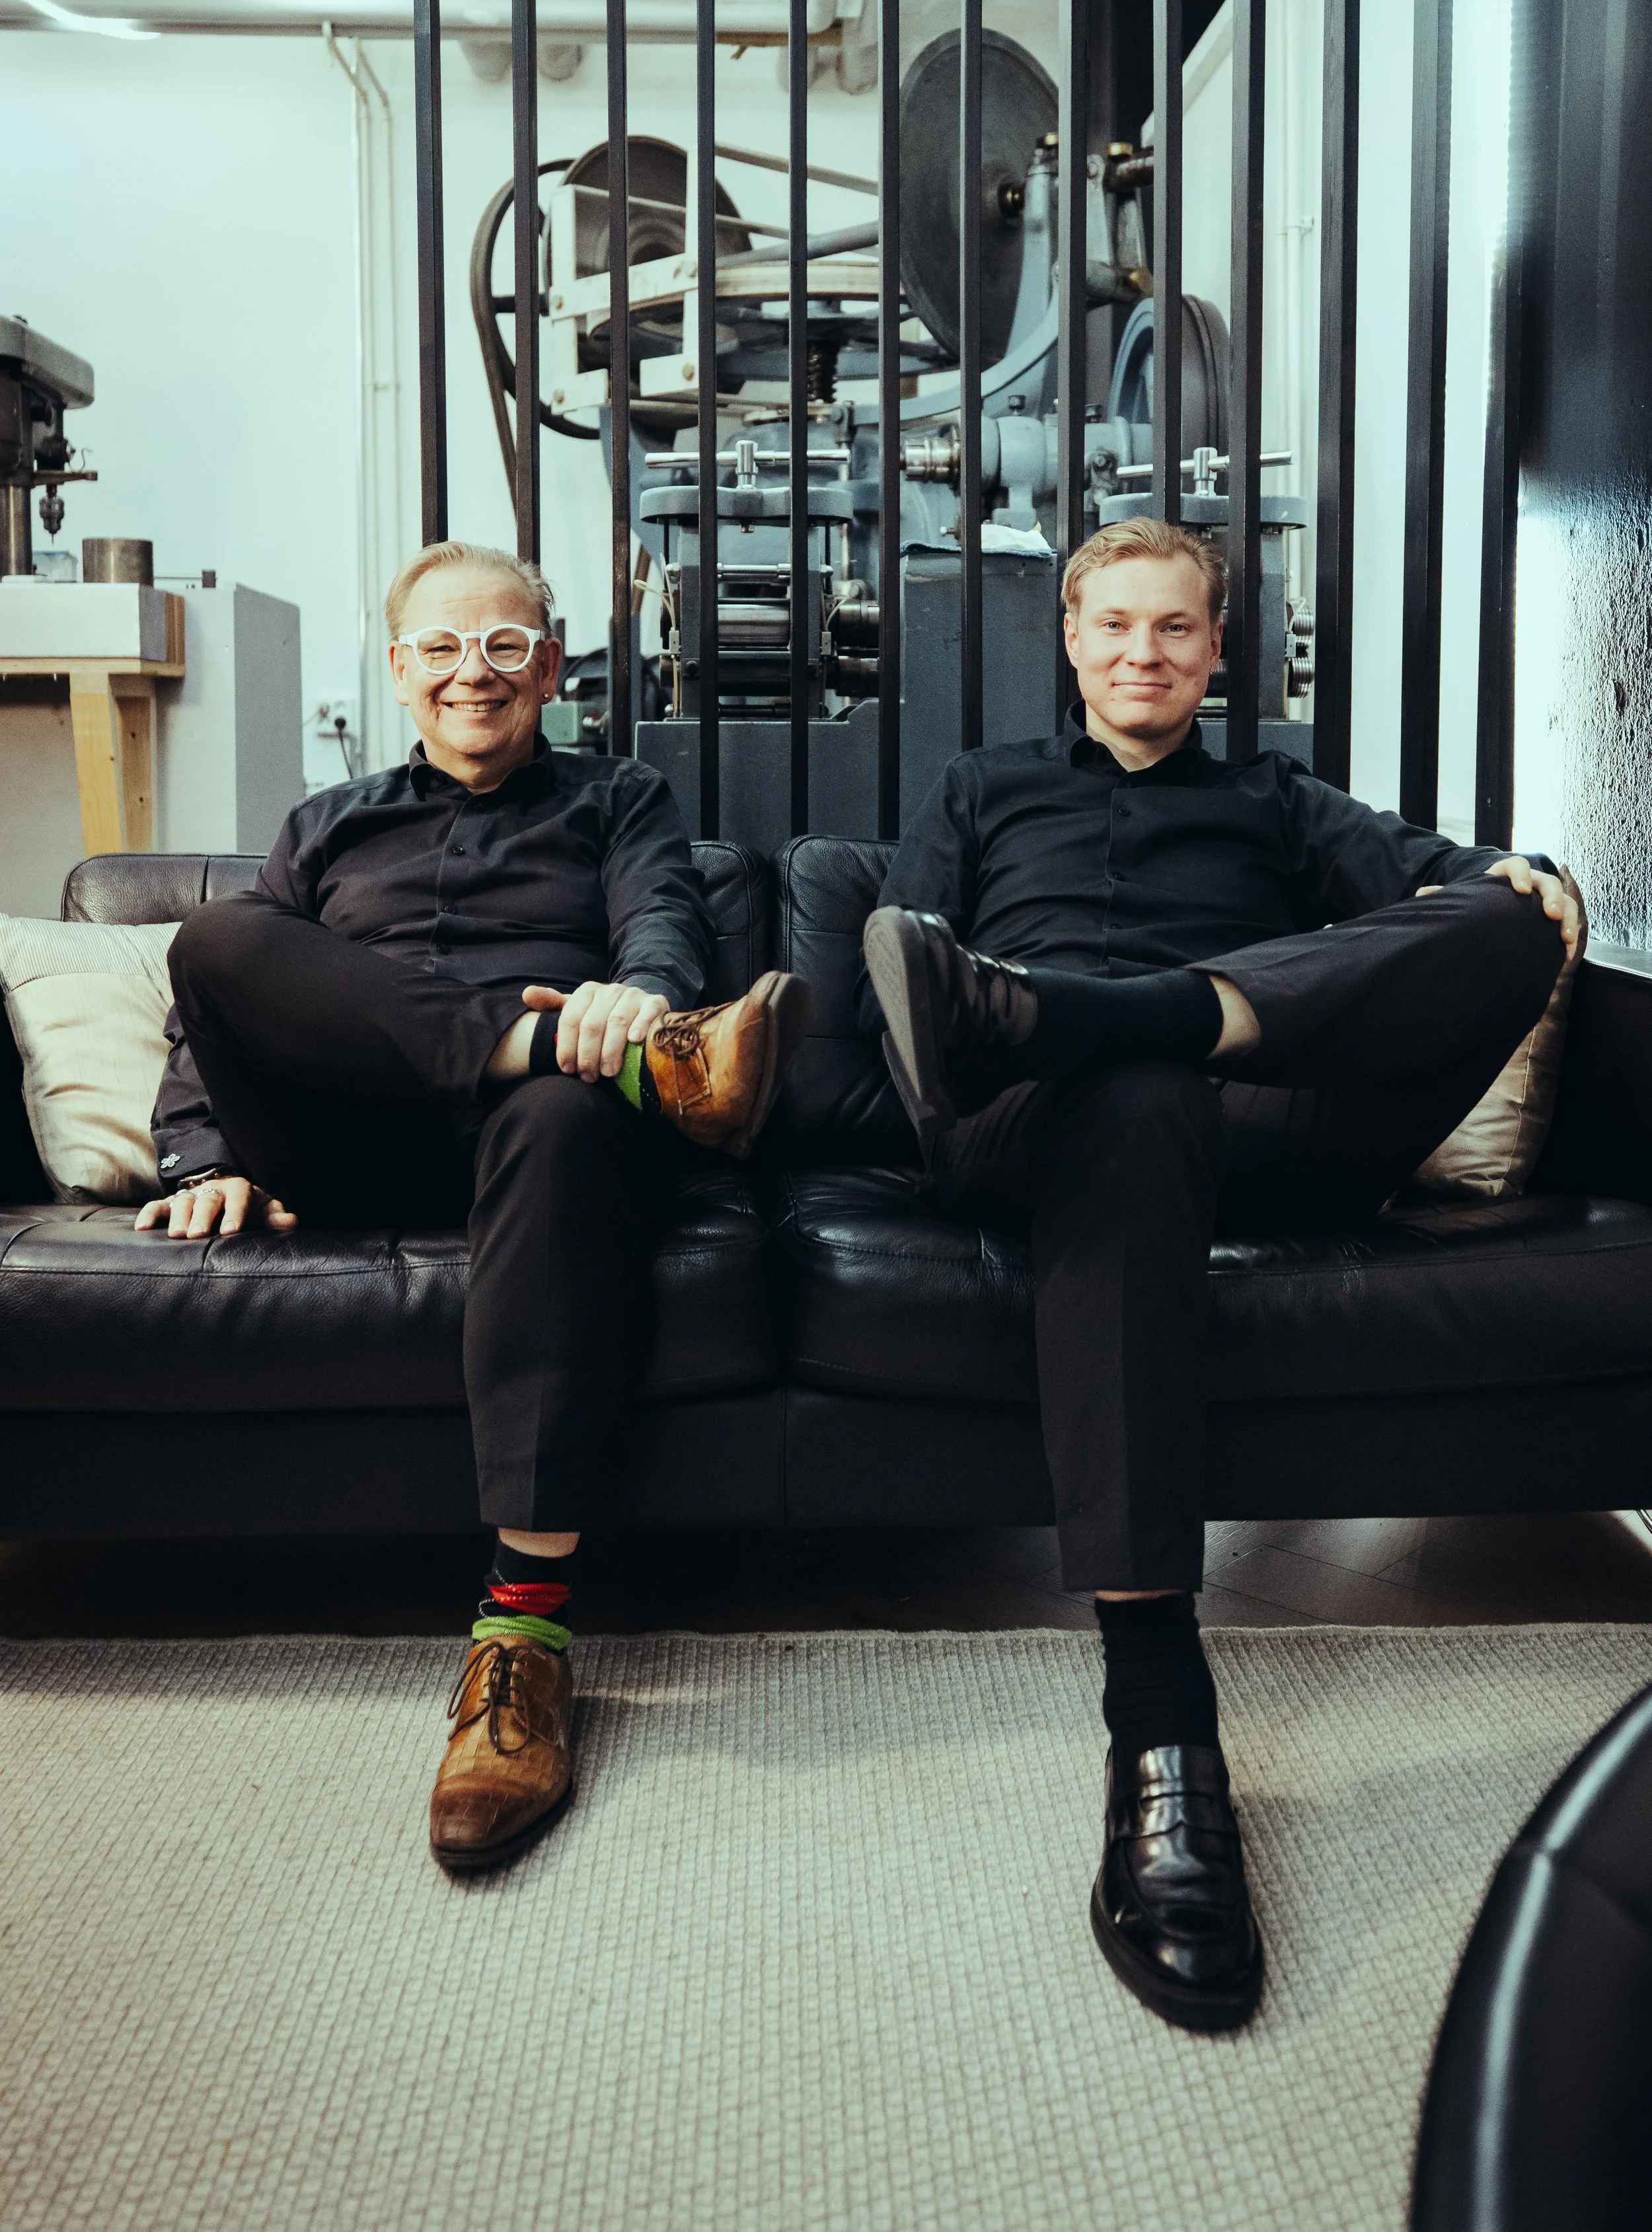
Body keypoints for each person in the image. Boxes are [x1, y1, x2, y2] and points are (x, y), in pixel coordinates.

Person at [859, 516, 1577, 2035]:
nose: (1142, 653)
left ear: (1214, 647)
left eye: (1172, 629)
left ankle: (1124, 1016)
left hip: (1252, 1119)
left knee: (1501, 933)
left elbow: (1441, 888)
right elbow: (896, 982)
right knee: (1124, 1096)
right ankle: (1158, 1713)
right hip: (1032, 1131)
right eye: (1113, 625)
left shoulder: (1277, 796)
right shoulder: (978, 788)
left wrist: (1519, 879)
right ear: (1068, 637)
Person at [138, 539, 806, 1876]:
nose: (473, 672)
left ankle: (524, 1635)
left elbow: (663, 923)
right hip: (348, 1141)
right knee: (215, 937)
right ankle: (543, 1046)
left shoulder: (618, 799)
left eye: (504, 644)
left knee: (563, 1102)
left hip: (538, 1142)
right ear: (398, 670)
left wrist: (645, 1001)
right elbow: (217, 1010)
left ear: (548, 665)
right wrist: (204, 1154)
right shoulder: (325, 823)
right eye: (441, 646)